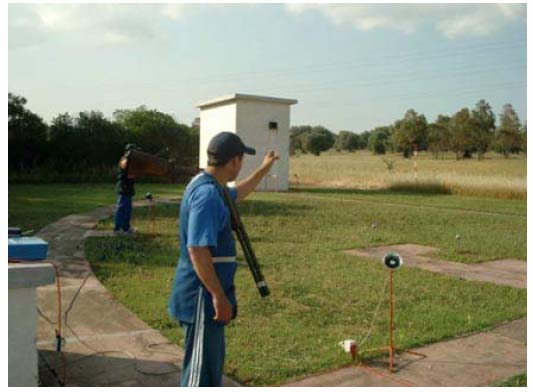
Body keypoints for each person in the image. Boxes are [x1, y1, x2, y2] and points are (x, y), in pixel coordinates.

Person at [168, 132, 279, 387]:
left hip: (209, 296)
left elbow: (237, 193)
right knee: (200, 378)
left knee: (208, 370)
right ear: (234, 161)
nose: (241, 165)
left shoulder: (211, 186)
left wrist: (263, 170)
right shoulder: (208, 196)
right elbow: (197, 249)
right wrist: (218, 295)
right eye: (241, 159)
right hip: (203, 298)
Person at [113, 143, 137, 234]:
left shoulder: (130, 162)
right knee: (121, 208)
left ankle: (126, 227)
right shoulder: (124, 160)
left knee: (127, 209)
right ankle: (118, 228)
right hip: (123, 188)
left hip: (128, 188)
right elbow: (125, 168)